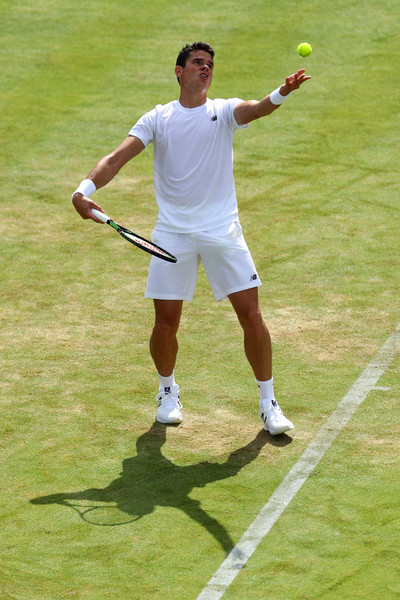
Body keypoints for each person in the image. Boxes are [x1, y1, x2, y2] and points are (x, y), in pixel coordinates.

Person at [72, 41, 311, 434]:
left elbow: (257, 108)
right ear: (179, 72)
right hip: (173, 235)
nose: (206, 68)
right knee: (165, 323)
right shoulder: (157, 119)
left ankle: (269, 402)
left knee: (251, 315)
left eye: (210, 64)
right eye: (198, 63)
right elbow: (116, 159)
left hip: (223, 232)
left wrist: (282, 92)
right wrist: (83, 191)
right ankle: (167, 391)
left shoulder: (223, 111)